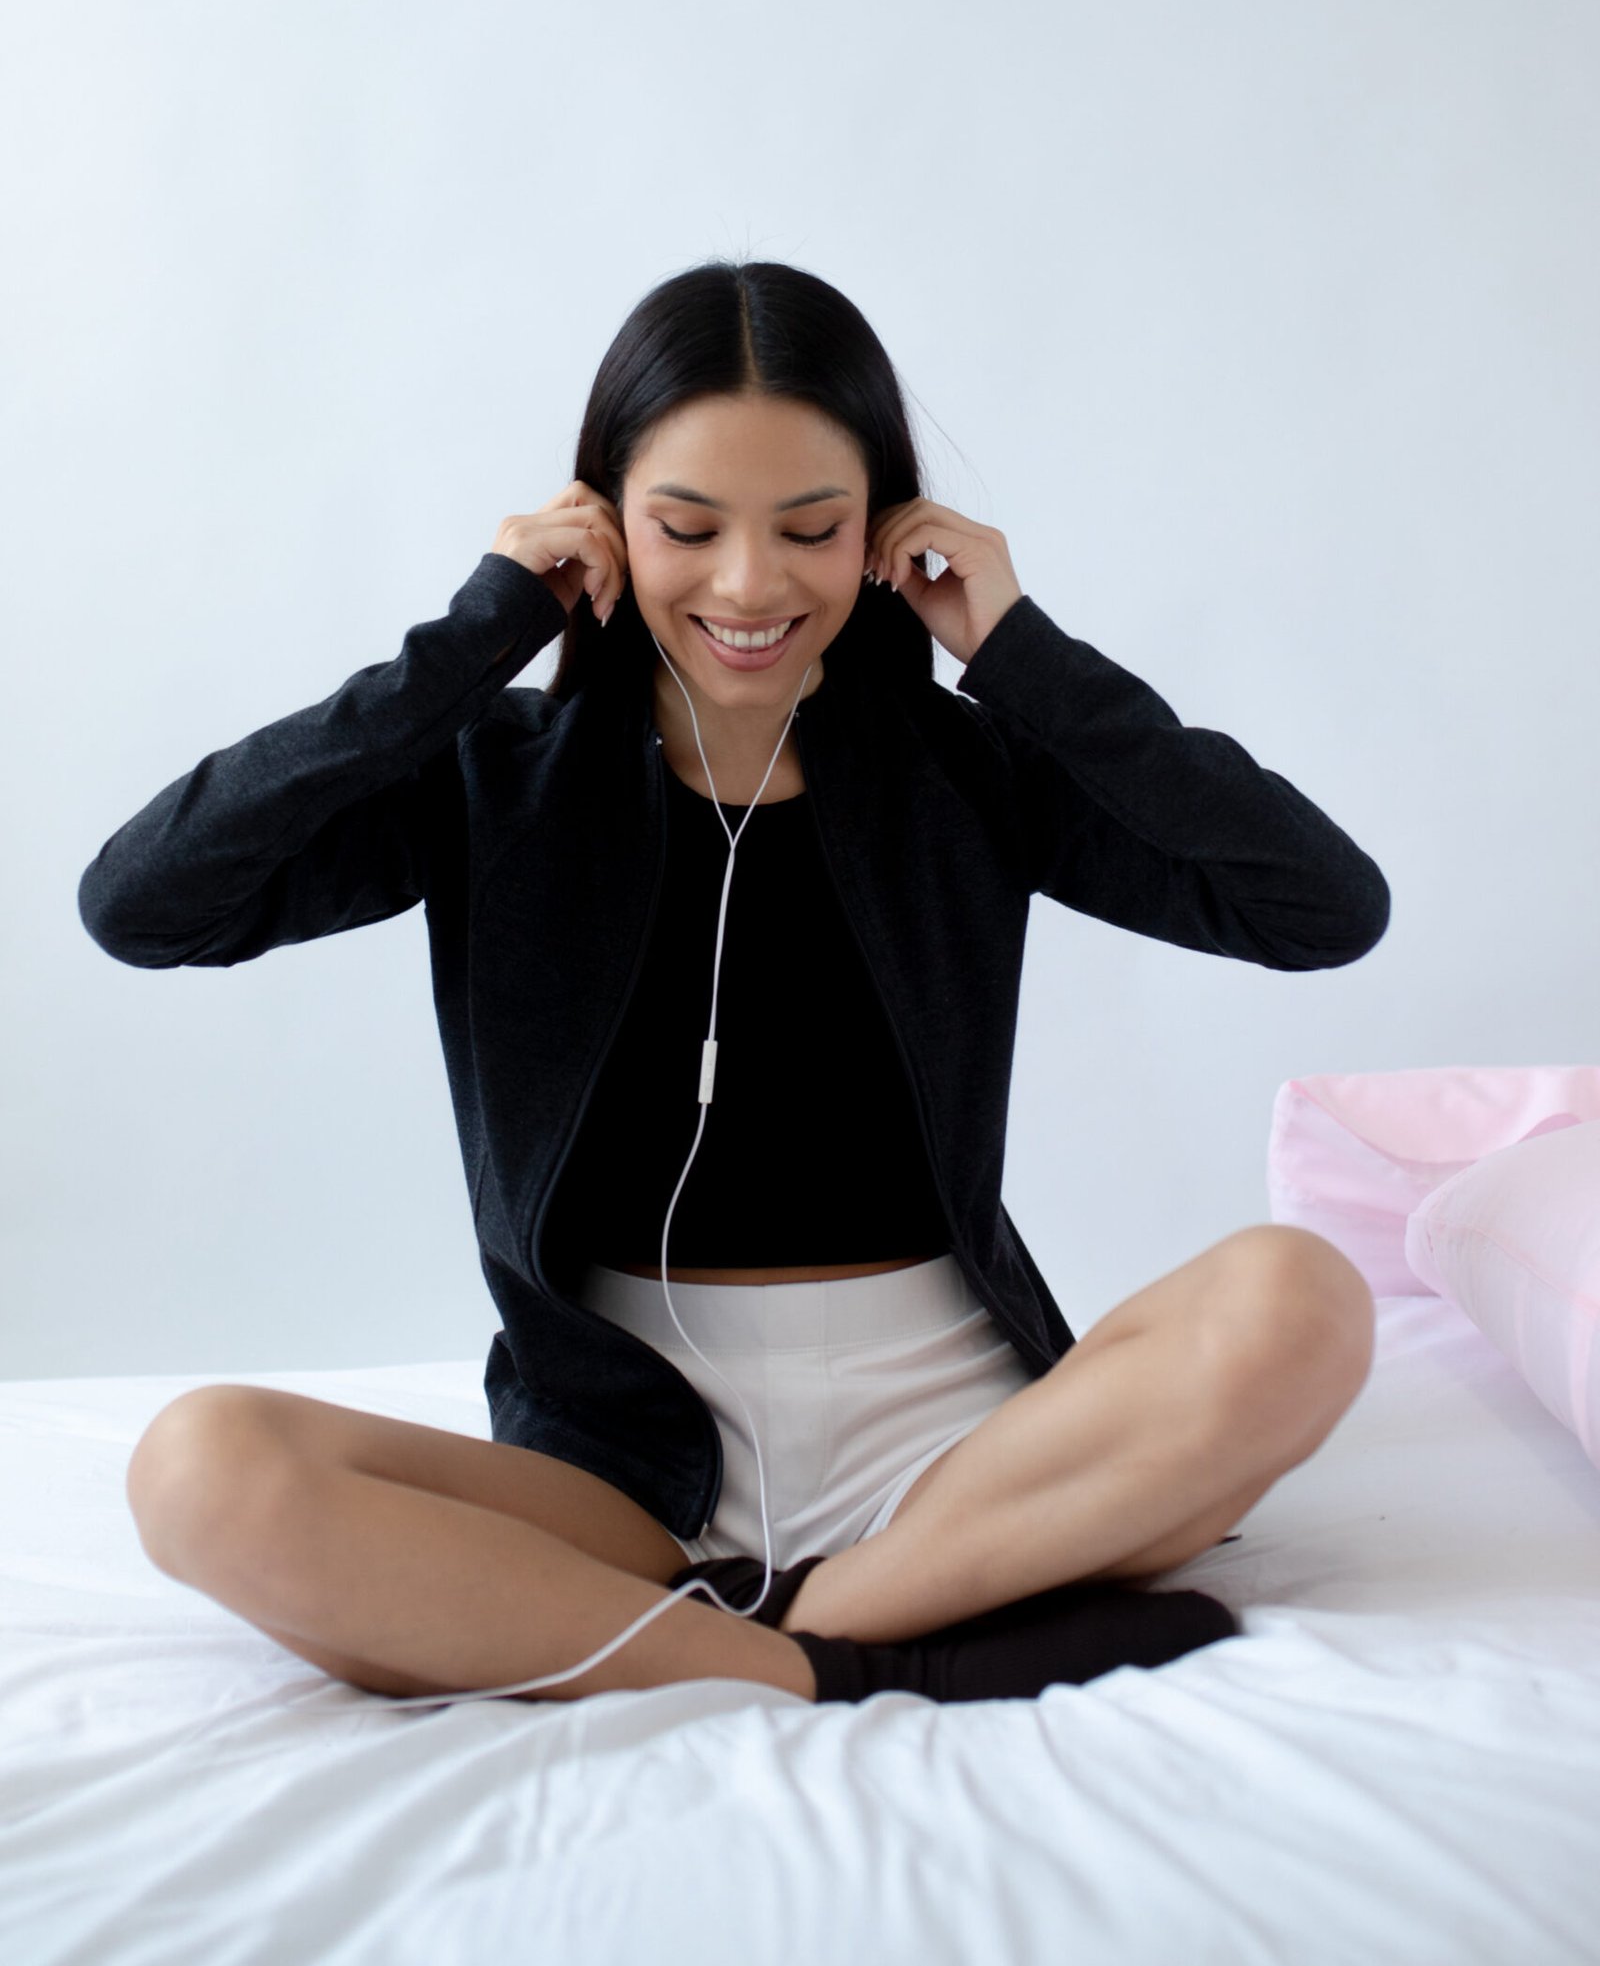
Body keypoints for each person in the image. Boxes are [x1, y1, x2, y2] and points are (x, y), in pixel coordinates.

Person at [82, 259, 1387, 1710]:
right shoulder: (495, 779)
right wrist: (476, 635)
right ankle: (830, 1653)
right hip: (623, 1462)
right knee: (200, 1470)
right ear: (603, 522)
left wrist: (1019, 654)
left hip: (959, 1442)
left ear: (883, 531)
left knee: (1302, 1301)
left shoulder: (966, 774)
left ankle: (741, 1627)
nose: (751, 585)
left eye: (812, 530)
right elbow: (145, 902)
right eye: (688, 529)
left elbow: (1320, 907)